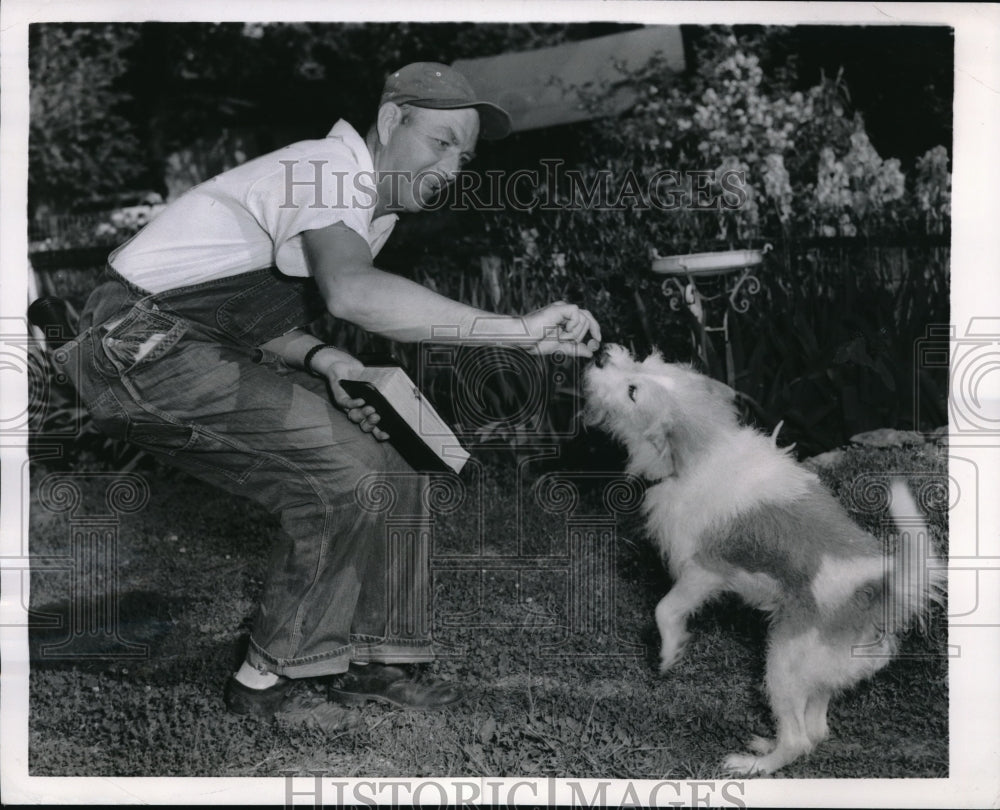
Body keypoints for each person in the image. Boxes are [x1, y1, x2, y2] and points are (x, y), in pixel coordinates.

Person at [58, 62, 601, 731]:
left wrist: (330, 358)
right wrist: (517, 332)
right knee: (343, 473)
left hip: (184, 341)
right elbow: (352, 293)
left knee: (398, 453)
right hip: (131, 346)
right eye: (441, 141)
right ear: (392, 119)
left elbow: (242, 313)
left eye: (465, 154)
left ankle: (379, 658)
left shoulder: (372, 207)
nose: (455, 164)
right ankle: (273, 677)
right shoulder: (327, 169)